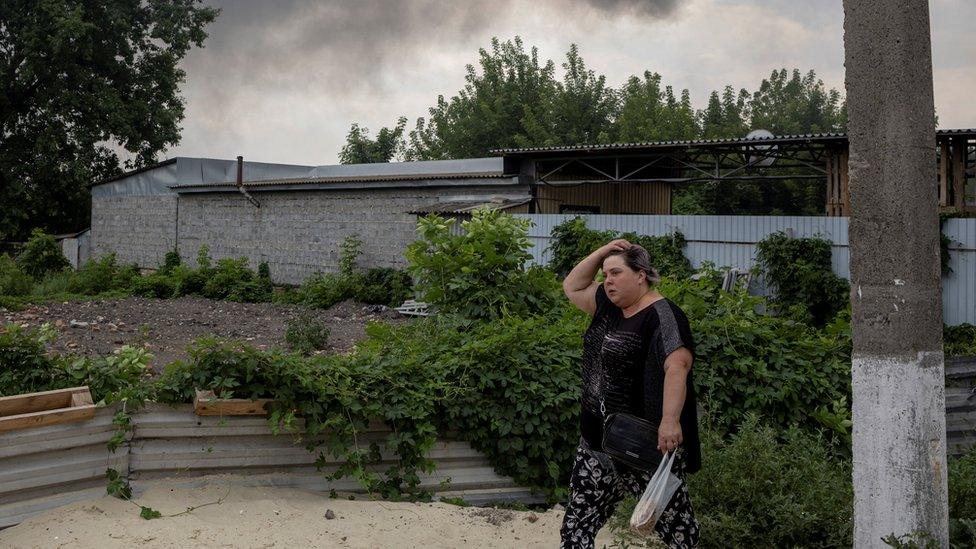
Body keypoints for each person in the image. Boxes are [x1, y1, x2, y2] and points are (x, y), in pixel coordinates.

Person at [559, 238, 701, 549]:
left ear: (641, 274)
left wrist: (669, 421)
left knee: (677, 529)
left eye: (616, 273)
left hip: (644, 444)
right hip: (597, 441)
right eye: (605, 275)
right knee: (576, 527)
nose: (607, 281)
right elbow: (572, 286)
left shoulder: (663, 315)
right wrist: (602, 252)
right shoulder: (609, 307)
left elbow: (678, 366)